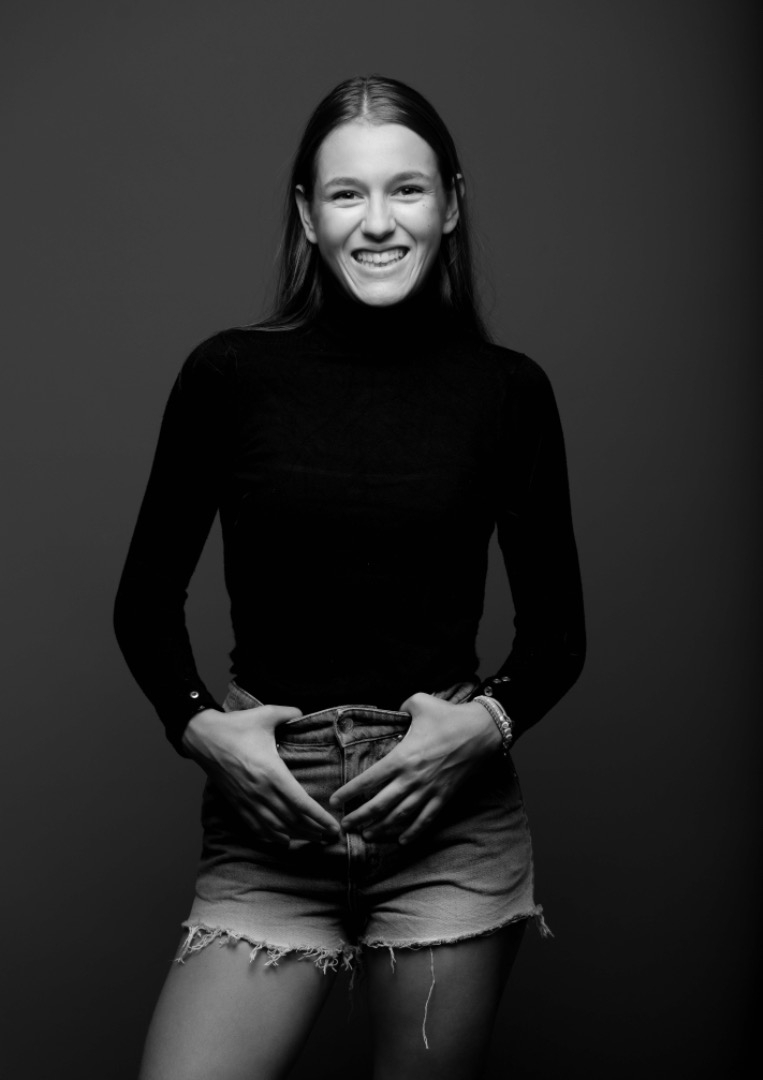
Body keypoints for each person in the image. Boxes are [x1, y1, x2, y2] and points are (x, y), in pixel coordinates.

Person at [114, 73, 586, 1080]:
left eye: (406, 189)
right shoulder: (228, 376)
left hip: (446, 818)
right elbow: (143, 603)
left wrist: (486, 724)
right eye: (346, 194)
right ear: (307, 215)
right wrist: (200, 728)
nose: (378, 222)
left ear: (450, 204)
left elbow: (557, 635)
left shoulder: (507, 393)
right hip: (269, 816)